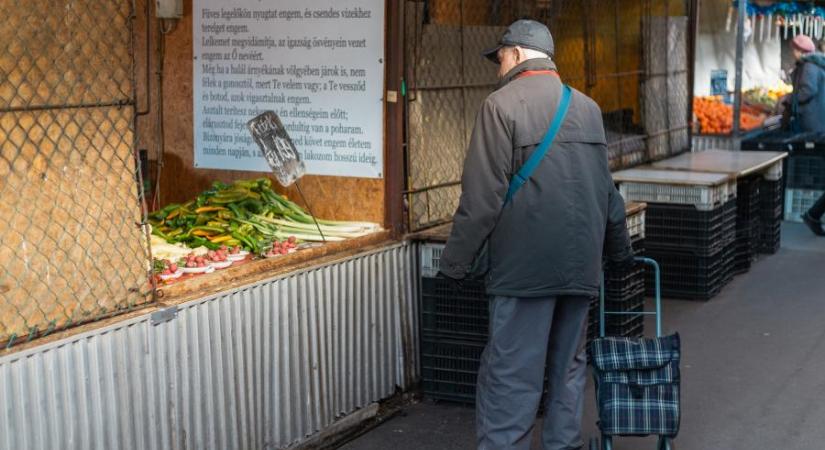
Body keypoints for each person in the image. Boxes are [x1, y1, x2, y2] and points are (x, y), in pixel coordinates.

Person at [437, 19, 633, 450]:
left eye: (500, 56)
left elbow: (482, 199)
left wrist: (453, 265)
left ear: (519, 54)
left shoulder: (501, 106)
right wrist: (621, 253)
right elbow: (607, 192)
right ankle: (565, 445)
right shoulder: (588, 107)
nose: (497, 66)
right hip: (581, 267)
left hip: (523, 271)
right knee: (568, 367)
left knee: (512, 373)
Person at [790, 35, 825, 235]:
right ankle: (812, 215)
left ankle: (812, 215)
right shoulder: (816, 65)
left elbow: (807, 92)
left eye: (793, 48)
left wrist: (788, 99)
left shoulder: (809, 67)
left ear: (798, 50)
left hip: (817, 126)